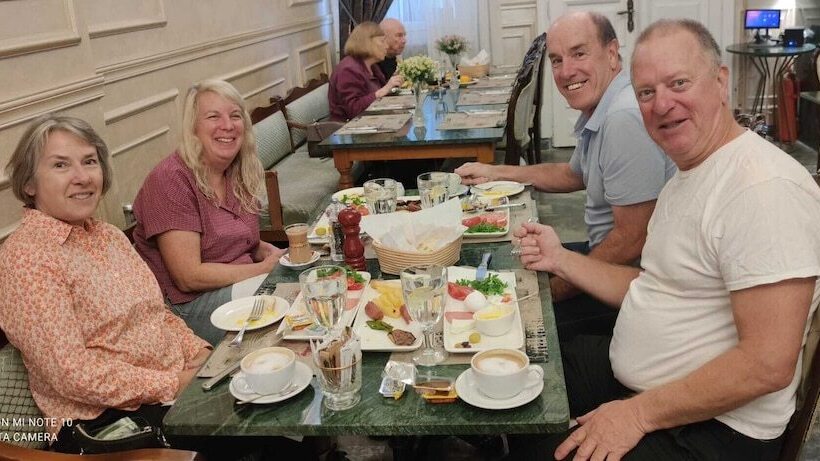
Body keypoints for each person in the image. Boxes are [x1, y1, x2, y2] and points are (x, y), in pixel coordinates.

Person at [513, 19, 820, 461]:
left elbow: (766, 364)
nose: (662, 104)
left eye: (679, 83)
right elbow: (656, 285)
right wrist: (560, 258)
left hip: (714, 428)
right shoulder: (691, 171)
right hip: (649, 384)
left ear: (720, 82)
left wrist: (636, 415)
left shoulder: (762, 189)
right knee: (520, 369)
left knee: (539, 447)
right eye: (646, 92)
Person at [456, 12, 675, 341]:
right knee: (507, 269)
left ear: (612, 53)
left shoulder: (622, 118)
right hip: (606, 258)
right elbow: (572, 174)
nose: (566, 71)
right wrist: (496, 172)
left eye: (579, 53)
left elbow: (631, 240)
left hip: (633, 289)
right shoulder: (606, 104)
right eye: (557, 60)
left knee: (503, 325)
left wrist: (554, 290)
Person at [0, 114, 211, 453]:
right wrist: (174, 383)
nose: (82, 177)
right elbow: (73, 374)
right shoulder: (27, 257)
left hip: (169, 390)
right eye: (60, 165)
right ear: (29, 183)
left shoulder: (109, 235)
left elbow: (156, 314)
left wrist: (200, 354)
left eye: (89, 161)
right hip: (106, 424)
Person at [133, 80, 286, 346]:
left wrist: (268, 251)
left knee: (303, 284)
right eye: (213, 117)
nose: (227, 125)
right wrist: (262, 269)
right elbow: (188, 276)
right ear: (193, 127)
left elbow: (236, 239)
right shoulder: (171, 180)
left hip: (238, 282)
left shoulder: (236, 170)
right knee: (287, 302)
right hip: (189, 308)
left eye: (235, 115)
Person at [329, 21, 404, 121]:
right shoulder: (348, 70)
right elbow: (353, 110)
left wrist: (393, 84)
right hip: (349, 126)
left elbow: (381, 94)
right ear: (368, 43)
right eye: (382, 41)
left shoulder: (372, 66)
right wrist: (384, 90)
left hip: (372, 119)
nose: (386, 46)